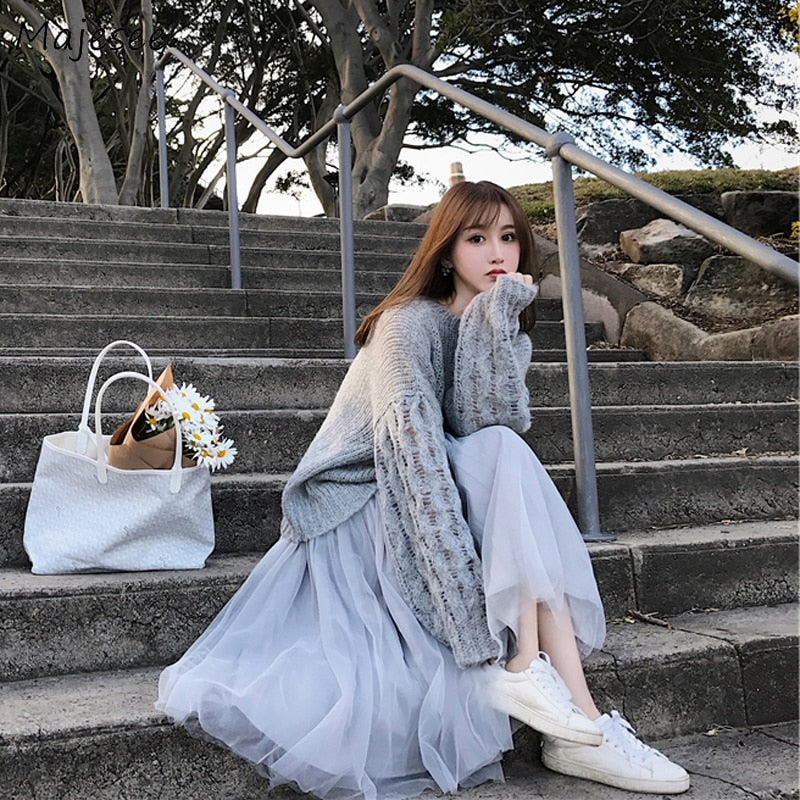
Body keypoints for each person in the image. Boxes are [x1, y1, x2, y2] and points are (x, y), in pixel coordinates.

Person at [156, 181, 690, 798]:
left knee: (503, 450)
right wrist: (469, 631)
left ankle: (571, 711)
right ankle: (563, 707)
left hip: (436, 487)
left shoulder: (494, 323)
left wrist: (493, 321)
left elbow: (488, 423)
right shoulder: (405, 326)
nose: (499, 253)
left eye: (509, 238)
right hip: (365, 506)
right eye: (477, 238)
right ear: (445, 251)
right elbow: (417, 471)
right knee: (504, 458)